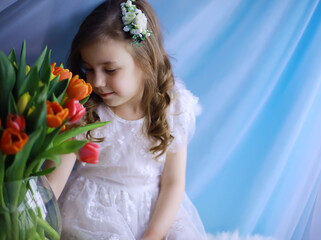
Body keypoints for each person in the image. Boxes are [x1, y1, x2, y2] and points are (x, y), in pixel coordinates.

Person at [44, 0, 207, 239]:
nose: (96, 81)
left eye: (110, 70)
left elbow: (173, 183)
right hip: (93, 213)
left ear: (145, 62)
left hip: (153, 213)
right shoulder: (83, 110)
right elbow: (50, 186)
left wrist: (153, 235)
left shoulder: (172, 107)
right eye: (88, 68)